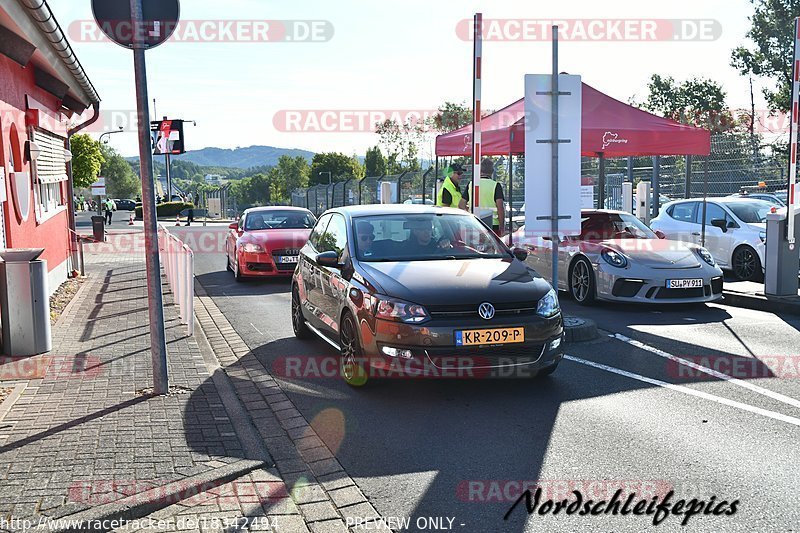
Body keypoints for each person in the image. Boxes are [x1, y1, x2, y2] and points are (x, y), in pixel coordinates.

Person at [478, 158, 506, 237]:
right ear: (492, 171)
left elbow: (461, 204)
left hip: (475, 223)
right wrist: (502, 227)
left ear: (479, 170)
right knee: (493, 248)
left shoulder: (471, 185)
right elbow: (500, 208)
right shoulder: (495, 186)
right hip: (493, 225)